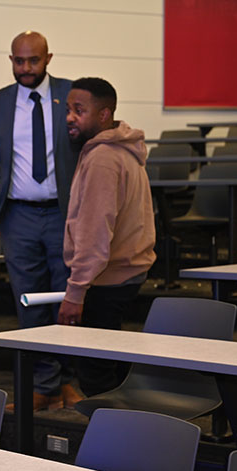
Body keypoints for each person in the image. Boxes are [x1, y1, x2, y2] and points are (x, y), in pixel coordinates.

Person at [0, 31, 82, 411]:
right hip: (17, 216)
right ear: (11, 60)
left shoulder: (71, 94)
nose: (26, 68)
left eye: (33, 60)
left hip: (64, 214)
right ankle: (43, 386)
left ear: (48, 58)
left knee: (67, 299)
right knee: (30, 303)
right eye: (19, 61)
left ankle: (69, 382)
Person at [59, 77, 156, 396]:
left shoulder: (103, 158)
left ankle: (107, 427)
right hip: (122, 272)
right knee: (112, 367)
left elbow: (95, 231)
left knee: (96, 375)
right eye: (68, 109)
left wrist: (75, 291)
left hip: (106, 278)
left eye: (79, 110)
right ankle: (124, 424)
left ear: (104, 114)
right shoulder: (120, 151)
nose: (70, 117)